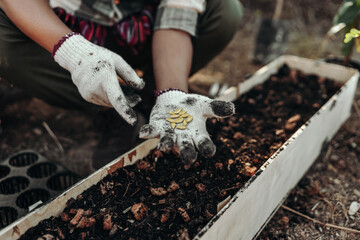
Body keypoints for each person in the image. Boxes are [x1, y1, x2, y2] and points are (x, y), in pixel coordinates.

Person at [0, 0, 243, 170]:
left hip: (143, 31)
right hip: (65, 24)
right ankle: (114, 110)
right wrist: (74, 53)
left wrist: (172, 92)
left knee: (224, 9)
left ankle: (149, 99)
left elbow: (176, 18)